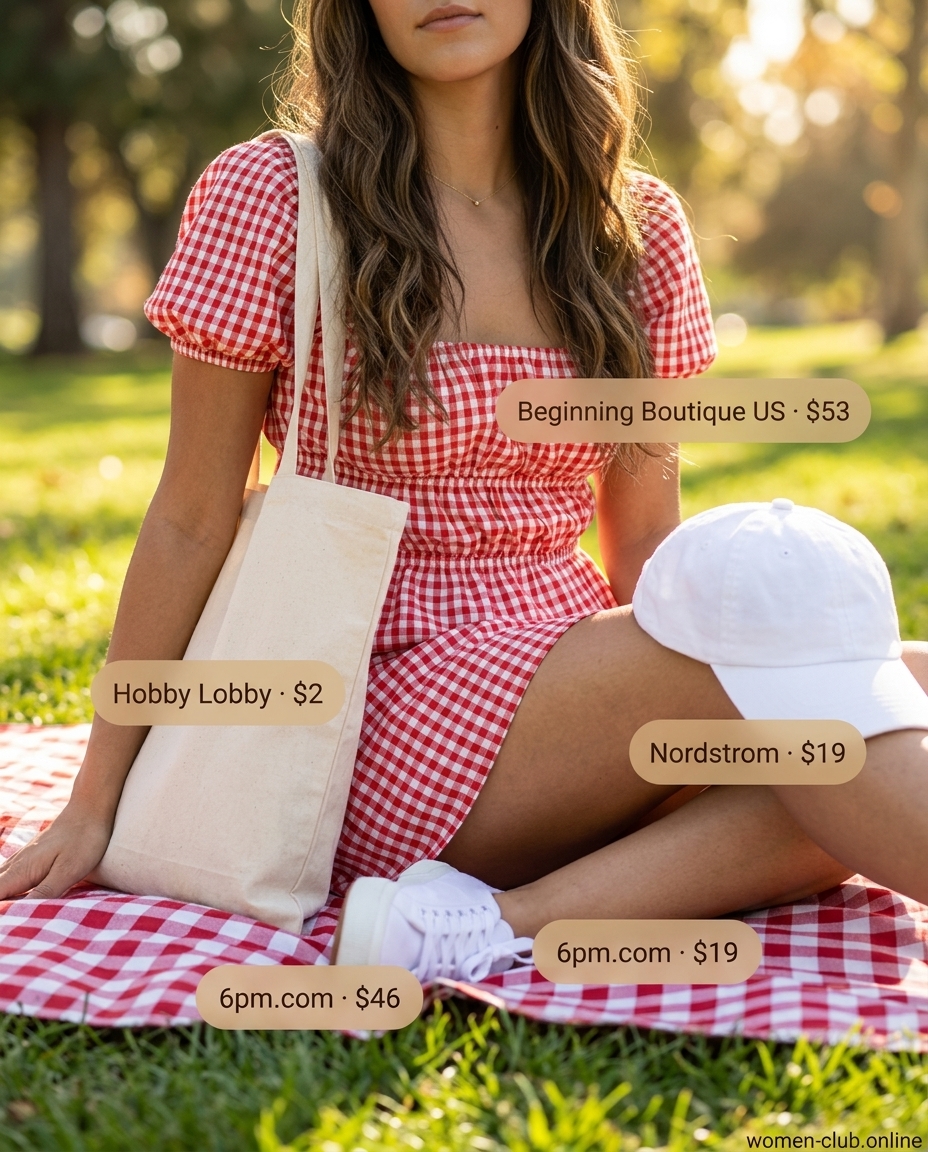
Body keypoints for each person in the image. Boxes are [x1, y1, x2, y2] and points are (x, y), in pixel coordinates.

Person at [2, 0, 927, 981]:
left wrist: (644, 730)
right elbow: (191, 517)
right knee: (811, 678)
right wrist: (97, 799)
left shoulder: (635, 225)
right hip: (364, 698)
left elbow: (648, 547)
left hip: (559, 680)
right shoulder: (275, 195)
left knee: (893, 686)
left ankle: (491, 921)